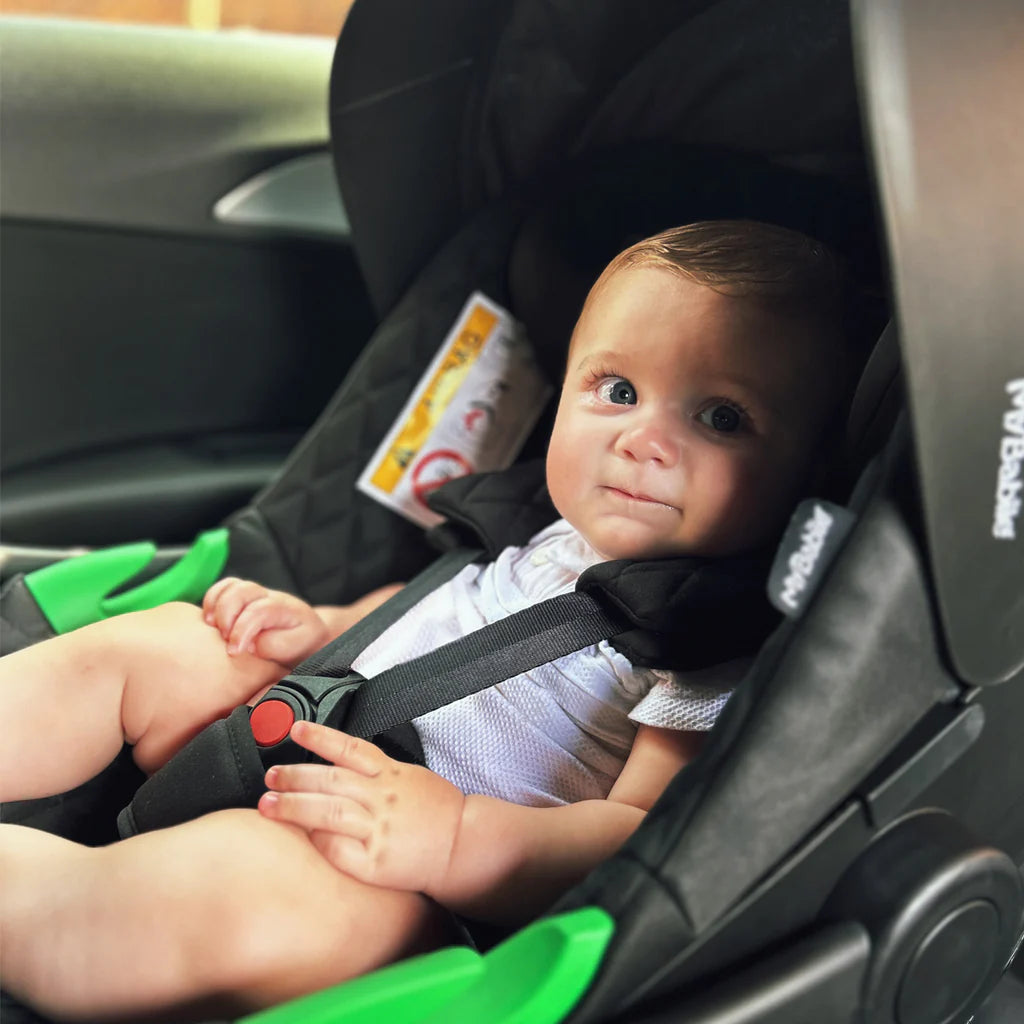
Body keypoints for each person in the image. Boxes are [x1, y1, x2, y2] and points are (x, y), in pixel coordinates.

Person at [0, 220, 861, 1022]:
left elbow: (631, 837)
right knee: (171, 643)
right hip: (309, 730)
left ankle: (52, 911)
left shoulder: (709, 649)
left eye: (721, 418)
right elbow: (428, 616)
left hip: (408, 890)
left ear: (808, 471)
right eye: (618, 389)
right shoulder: (540, 533)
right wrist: (318, 626)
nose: (642, 439)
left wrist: (452, 840)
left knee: (232, 894)